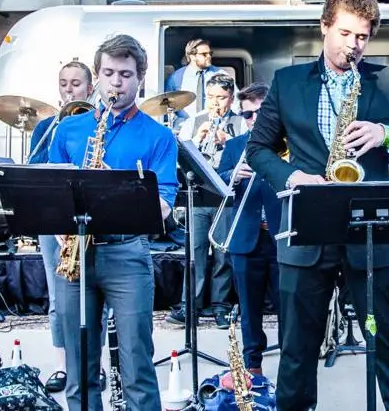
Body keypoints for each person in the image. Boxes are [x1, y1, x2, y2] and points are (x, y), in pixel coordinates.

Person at [246, 0, 389, 411]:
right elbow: (257, 150)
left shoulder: (387, 81)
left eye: (363, 37)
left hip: (370, 230)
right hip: (308, 226)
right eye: (346, 34)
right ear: (324, 27)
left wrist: (384, 134)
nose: (354, 45)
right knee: (296, 351)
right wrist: (293, 174)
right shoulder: (287, 81)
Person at [48, 34, 179, 411]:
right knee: (79, 368)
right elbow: (51, 187)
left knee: (137, 363)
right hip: (75, 256)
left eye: (125, 74)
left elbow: (164, 206)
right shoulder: (69, 130)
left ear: (140, 78)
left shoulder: (159, 136)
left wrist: (118, 191)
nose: (116, 83)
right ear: (97, 76)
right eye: (108, 73)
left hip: (126, 253)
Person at [27, 59, 95, 393]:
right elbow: (35, 170)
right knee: (58, 297)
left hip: (92, 220)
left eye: (76, 84)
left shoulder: (100, 124)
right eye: (64, 84)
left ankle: (93, 366)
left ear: (90, 88)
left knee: (96, 296)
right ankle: (62, 366)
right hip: (54, 219)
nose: (70, 90)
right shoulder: (45, 128)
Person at [216, 81, 282, 376]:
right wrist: (232, 175)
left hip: (284, 236)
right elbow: (216, 184)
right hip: (247, 238)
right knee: (249, 311)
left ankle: (292, 367)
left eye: (260, 112)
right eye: (247, 115)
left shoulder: (291, 143)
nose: (253, 119)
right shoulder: (234, 146)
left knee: (289, 309)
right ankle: (252, 367)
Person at [171, 72, 244, 329]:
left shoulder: (240, 124)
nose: (216, 103)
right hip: (199, 194)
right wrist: (198, 139)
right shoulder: (194, 122)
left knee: (222, 252)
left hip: (225, 195)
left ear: (231, 98)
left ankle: (221, 306)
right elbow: (182, 158)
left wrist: (229, 143)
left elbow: (245, 159)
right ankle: (189, 305)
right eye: (211, 97)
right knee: (195, 252)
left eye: (222, 98)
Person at [166, 38, 223, 119]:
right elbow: (166, 106)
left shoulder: (221, 75)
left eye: (210, 53)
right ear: (192, 56)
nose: (209, 56)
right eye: (204, 54)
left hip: (213, 125)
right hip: (184, 127)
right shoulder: (176, 78)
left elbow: (235, 103)